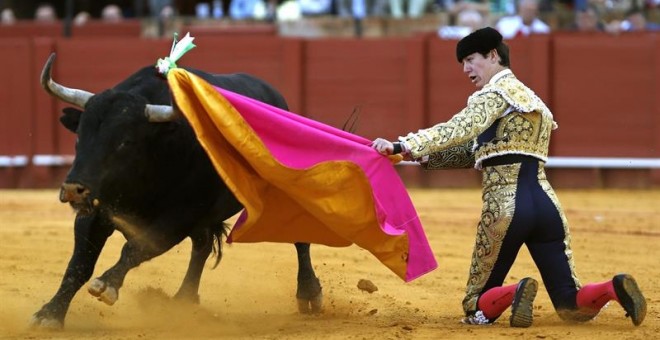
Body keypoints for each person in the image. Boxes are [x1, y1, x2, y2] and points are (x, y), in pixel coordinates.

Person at [371, 27, 647, 328]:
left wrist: (403, 144)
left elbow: (458, 127)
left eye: (470, 59)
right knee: (570, 302)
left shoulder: (493, 94)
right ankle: (611, 288)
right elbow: (478, 151)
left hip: (505, 208)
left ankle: (515, 292)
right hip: (547, 206)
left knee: (476, 303)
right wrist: (416, 156)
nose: (466, 69)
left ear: (493, 55)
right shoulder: (532, 100)